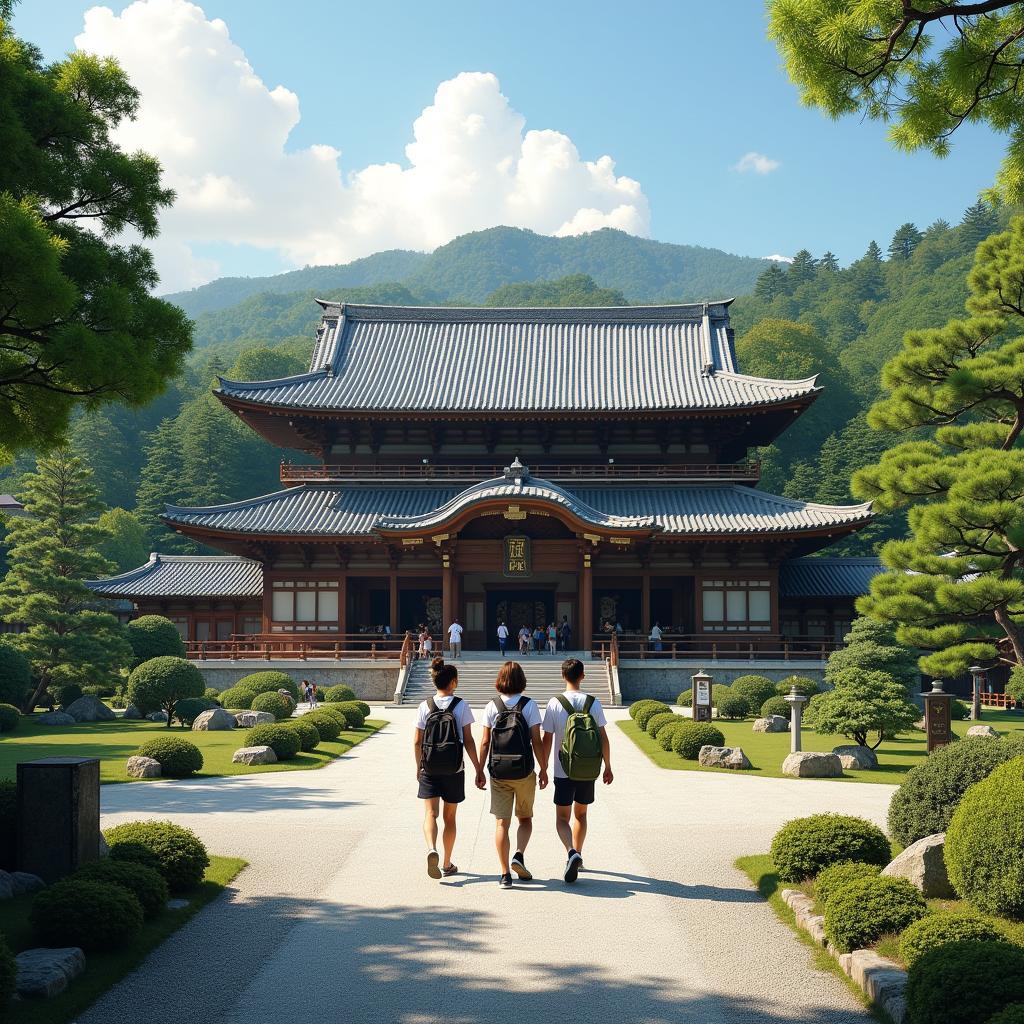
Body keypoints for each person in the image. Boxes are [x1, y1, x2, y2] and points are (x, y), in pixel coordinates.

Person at [541, 658, 614, 884]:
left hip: (563, 770)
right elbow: (603, 737)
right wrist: (608, 766)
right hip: (588, 769)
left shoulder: (555, 703)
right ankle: (579, 854)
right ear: (582, 676)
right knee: (581, 815)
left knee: (562, 818)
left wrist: (542, 767)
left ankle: (571, 851)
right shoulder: (593, 702)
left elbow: (547, 738)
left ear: (563, 676)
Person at [413, 657, 485, 879]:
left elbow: (417, 741)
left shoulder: (425, 705)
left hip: (430, 767)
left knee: (430, 813)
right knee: (450, 818)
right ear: (453, 682)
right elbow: (469, 740)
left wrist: (419, 767)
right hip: (454, 769)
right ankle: (446, 862)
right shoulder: (461, 705)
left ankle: (431, 848)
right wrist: (478, 768)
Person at [479, 662, 548, 887]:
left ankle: (504, 873)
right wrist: (544, 768)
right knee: (525, 818)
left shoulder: (492, 706)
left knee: (502, 823)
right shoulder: (529, 706)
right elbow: (536, 741)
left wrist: (479, 769)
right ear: (522, 680)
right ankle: (519, 853)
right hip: (524, 771)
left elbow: (485, 741)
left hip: (499, 772)